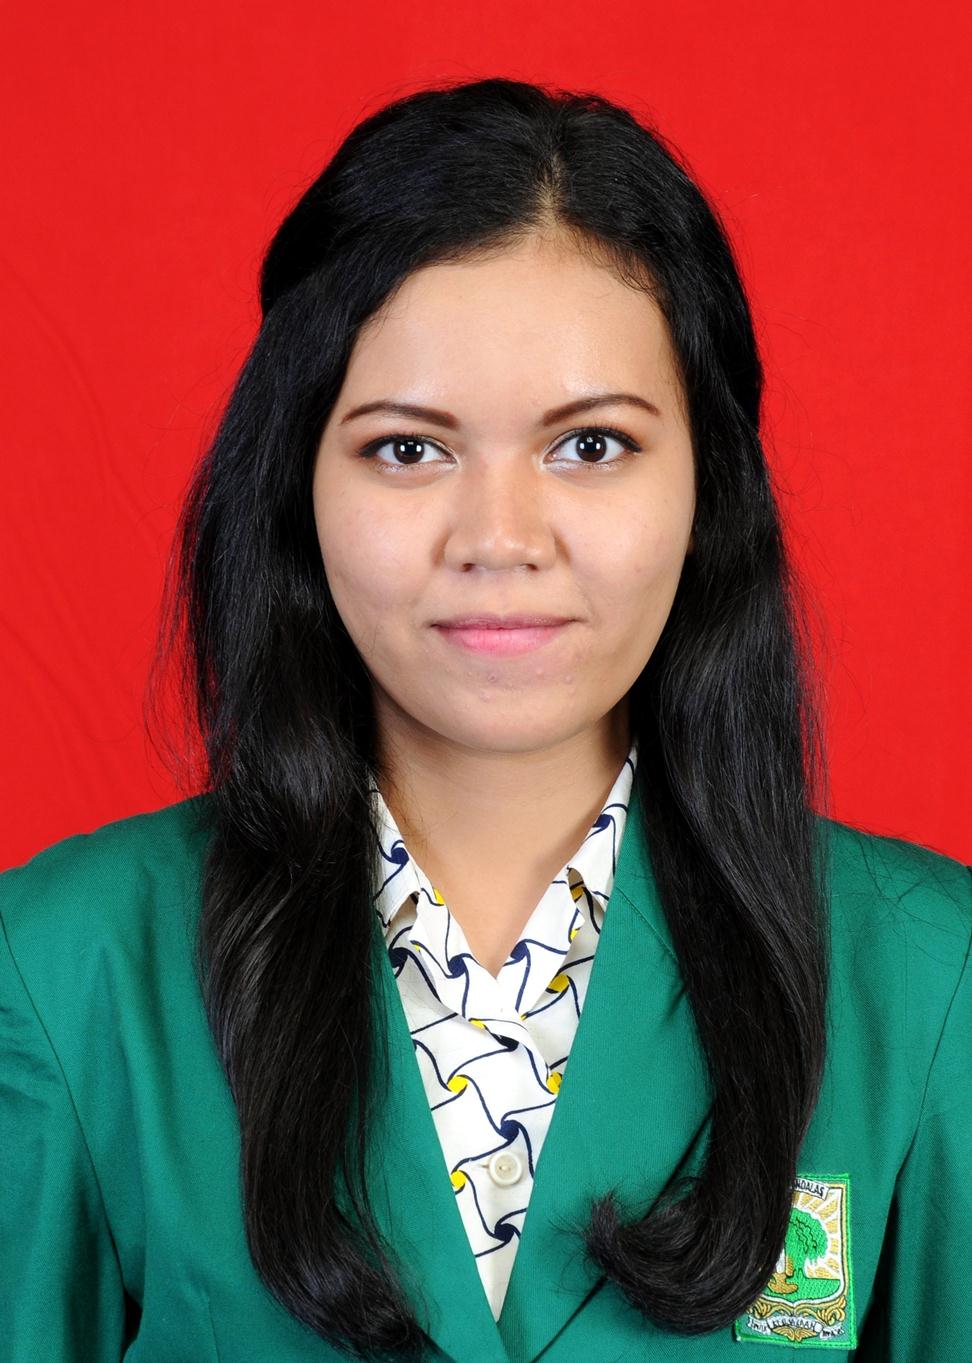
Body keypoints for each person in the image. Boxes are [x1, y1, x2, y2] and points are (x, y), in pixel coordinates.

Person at [1, 77, 968, 1363]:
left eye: (592, 446)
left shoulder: (931, 977)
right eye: (409, 449)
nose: (500, 539)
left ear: (709, 486)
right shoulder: (63, 968)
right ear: (297, 486)